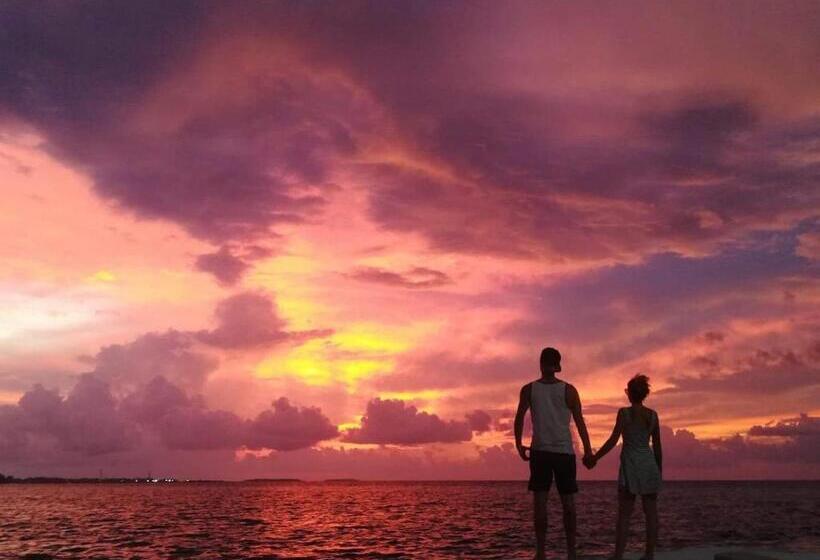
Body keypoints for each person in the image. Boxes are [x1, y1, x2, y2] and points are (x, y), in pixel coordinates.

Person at [515, 347, 593, 560]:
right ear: (558, 366)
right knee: (568, 504)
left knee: (540, 504)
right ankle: (571, 553)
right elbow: (580, 422)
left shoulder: (529, 389)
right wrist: (588, 450)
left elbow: (519, 417)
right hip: (562, 453)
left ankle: (541, 552)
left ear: (541, 364)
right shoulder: (569, 390)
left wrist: (518, 443)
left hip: (541, 452)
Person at [586, 374, 662, 560]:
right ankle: (649, 554)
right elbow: (658, 447)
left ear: (630, 394)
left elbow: (613, 440)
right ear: (645, 394)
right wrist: (659, 472)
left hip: (630, 466)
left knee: (625, 515)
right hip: (649, 465)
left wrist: (595, 457)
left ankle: (618, 556)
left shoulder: (624, 413)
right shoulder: (653, 416)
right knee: (651, 514)